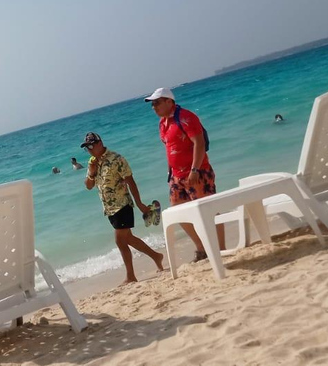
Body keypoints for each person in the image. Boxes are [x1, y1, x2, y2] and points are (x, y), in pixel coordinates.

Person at [145, 87, 225, 262]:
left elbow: (199, 143)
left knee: (209, 210)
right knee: (178, 212)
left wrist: (195, 169)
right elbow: (170, 148)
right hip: (176, 176)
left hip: (198, 172)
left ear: (169, 101)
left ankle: (221, 249)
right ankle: (201, 247)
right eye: (152, 104)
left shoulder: (186, 117)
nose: (154, 107)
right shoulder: (162, 123)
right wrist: (170, 174)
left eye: (157, 103)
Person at [81, 132, 164, 284]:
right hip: (109, 209)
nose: (90, 150)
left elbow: (131, 181)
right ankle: (156, 256)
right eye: (87, 148)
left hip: (123, 205)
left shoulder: (116, 159)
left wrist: (139, 204)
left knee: (119, 241)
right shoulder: (92, 162)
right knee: (128, 239)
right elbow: (88, 186)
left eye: (91, 146)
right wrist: (92, 172)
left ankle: (131, 276)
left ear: (100, 143)